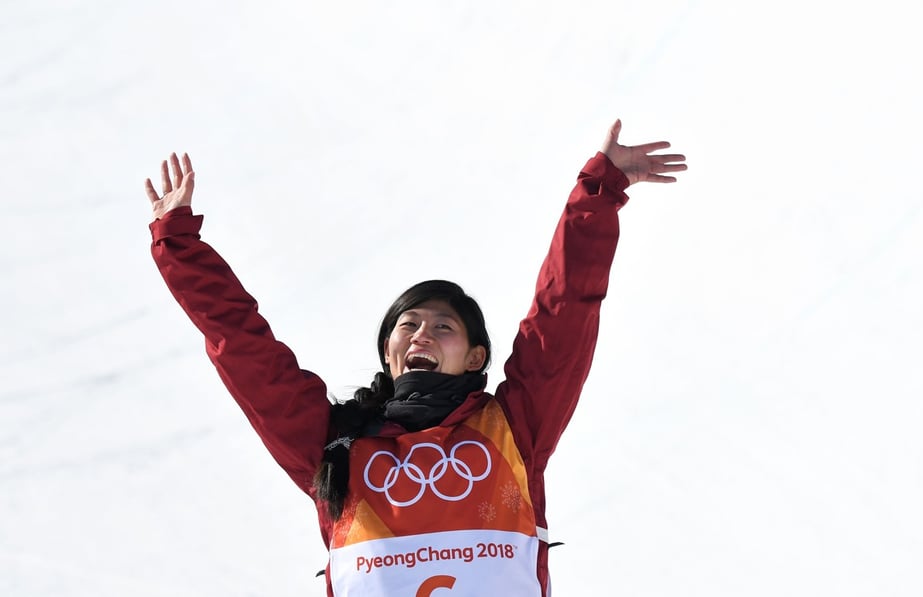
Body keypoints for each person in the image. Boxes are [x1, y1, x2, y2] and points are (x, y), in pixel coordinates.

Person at [146, 119, 686, 596]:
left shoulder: (513, 428)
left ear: (476, 356)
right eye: (408, 325)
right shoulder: (333, 444)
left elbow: (563, 315)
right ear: (389, 353)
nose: (421, 334)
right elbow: (245, 350)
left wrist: (597, 193)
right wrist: (180, 246)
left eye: (443, 326)